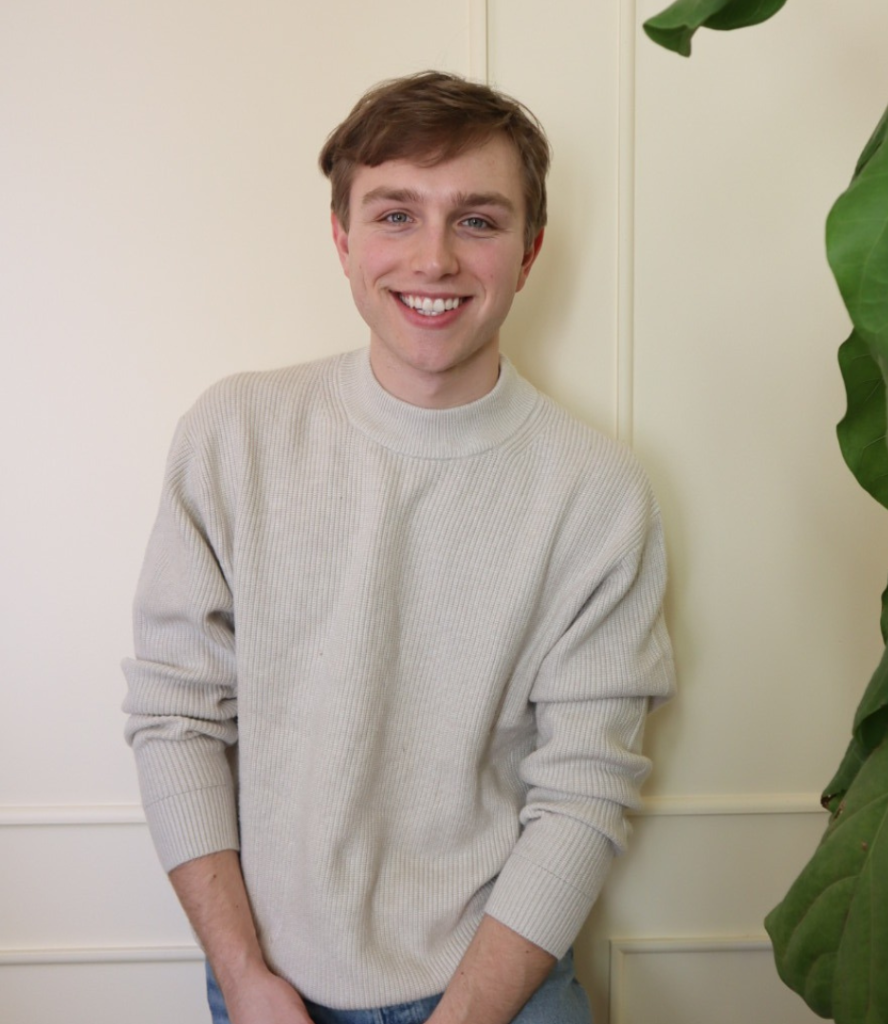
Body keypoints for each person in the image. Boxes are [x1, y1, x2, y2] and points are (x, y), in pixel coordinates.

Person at [123, 70, 675, 1024]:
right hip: (266, 986)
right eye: (394, 216)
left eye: (478, 220)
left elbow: (584, 786)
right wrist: (245, 979)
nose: (433, 259)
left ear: (529, 250)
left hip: (498, 987)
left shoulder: (598, 491)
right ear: (342, 239)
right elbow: (177, 719)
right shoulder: (234, 435)